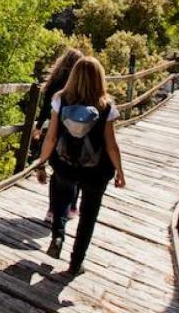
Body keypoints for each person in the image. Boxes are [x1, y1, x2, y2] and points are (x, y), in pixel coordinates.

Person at [37, 56, 126, 276]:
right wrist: (120, 171)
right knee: (88, 215)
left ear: (74, 75)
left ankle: (57, 236)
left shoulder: (60, 100)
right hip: (96, 171)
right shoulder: (106, 106)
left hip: (65, 165)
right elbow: (111, 145)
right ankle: (76, 263)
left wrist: (41, 163)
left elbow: (51, 137)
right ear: (99, 78)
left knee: (60, 198)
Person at [31, 48, 83, 224]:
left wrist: (38, 127)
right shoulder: (80, 84)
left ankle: (52, 210)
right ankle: (72, 207)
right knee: (76, 170)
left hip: (56, 130)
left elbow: (46, 108)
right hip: (77, 132)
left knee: (57, 172)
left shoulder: (54, 84)